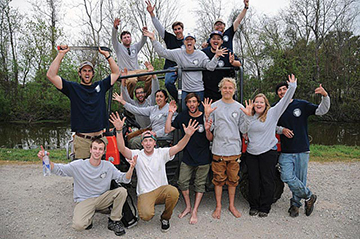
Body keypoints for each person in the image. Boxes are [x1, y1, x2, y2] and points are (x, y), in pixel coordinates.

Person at [109, 111, 199, 232]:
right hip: (145, 192)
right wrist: (119, 131)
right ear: (141, 143)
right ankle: (149, 206)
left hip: (161, 190)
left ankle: (165, 218)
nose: (148, 143)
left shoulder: (161, 153)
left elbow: (178, 147)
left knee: (173, 192)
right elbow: (122, 149)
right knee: (146, 216)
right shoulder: (137, 154)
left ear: (155, 142)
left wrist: (187, 135)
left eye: (150, 140)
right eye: (145, 141)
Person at [37, 140, 136, 236]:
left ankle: (114, 220)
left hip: (102, 199)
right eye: (95, 148)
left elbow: (125, 179)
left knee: (122, 191)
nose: (97, 151)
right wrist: (46, 160)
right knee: (78, 226)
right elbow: (59, 169)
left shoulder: (108, 166)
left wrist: (131, 168)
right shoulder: (78, 165)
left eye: (100, 149)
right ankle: (88, 217)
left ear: (104, 152)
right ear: (90, 150)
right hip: (85, 200)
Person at [46, 45, 120, 159]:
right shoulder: (72, 88)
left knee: (100, 174)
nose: (87, 73)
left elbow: (116, 73)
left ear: (93, 73)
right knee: (82, 174)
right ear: (79, 73)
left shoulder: (100, 86)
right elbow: (51, 75)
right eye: (84, 70)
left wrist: (107, 56)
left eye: (89, 71)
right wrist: (61, 54)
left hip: (100, 140)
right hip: (82, 141)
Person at [242, 74, 297, 218]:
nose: (258, 104)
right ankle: (254, 205)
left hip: (268, 152)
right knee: (253, 180)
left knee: (267, 180)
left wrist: (292, 87)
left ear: (266, 104)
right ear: (253, 104)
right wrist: (247, 117)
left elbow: (285, 101)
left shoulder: (272, 114)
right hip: (252, 153)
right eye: (256, 102)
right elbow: (243, 130)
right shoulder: (250, 116)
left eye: (261, 102)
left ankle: (265, 207)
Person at [275, 82, 330, 217]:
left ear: (289, 90)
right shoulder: (276, 108)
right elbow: (268, 125)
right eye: (279, 90)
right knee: (286, 176)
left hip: (302, 149)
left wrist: (325, 96)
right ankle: (310, 196)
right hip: (286, 150)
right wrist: (281, 130)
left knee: (300, 178)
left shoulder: (301, 105)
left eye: (284, 89)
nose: (282, 92)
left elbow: (321, 111)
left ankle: (295, 204)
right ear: (277, 94)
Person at [203, 77, 251, 219]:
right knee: (218, 180)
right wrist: (207, 115)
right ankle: (218, 206)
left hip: (234, 151)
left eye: (230, 88)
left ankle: (231, 205)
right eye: (225, 87)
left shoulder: (239, 107)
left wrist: (248, 116)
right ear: (221, 89)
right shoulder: (214, 107)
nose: (227, 90)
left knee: (233, 180)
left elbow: (243, 129)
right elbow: (209, 129)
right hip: (218, 150)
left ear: (234, 90)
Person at [143, 29, 227, 110]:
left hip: (198, 90)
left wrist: (216, 56)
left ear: (194, 42)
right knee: (183, 112)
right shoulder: (179, 53)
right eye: (187, 40)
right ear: (184, 42)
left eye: (191, 39)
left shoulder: (201, 54)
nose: (189, 41)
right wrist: (153, 39)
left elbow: (210, 67)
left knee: (200, 113)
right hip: (185, 90)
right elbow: (162, 52)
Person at [165, 93, 213, 224]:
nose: (192, 104)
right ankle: (188, 206)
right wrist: (170, 113)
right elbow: (168, 129)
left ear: (198, 103)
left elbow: (210, 139)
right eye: (189, 102)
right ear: (186, 104)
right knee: (182, 182)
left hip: (203, 157)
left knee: (199, 184)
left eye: (194, 102)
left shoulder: (205, 116)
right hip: (187, 156)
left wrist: (208, 130)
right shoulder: (183, 116)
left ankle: (195, 210)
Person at [146, 0, 184, 101]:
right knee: (167, 82)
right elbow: (159, 27)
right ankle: (178, 100)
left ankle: (187, 101)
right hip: (171, 67)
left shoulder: (188, 41)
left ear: (182, 29)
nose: (177, 31)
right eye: (175, 29)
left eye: (179, 29)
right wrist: (152, 14)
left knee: (188, 84)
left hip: (184, 67)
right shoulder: (170, 38)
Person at [112, 18, 152, 98]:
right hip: (127, 72)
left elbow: (142, 42)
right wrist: (115, 28)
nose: (127, 39)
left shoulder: (135, 47)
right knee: (132, 81)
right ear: (122, 40)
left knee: (151, 75)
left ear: (131, 38)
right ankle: (129, 100)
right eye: (125, 38)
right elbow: (113, 38)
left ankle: (145, 96)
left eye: (128, 37)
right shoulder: (118, 47)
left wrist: (144, 33)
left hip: (137, 71)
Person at [202, 31, 241, 101]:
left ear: (222, 41)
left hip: (224, 91)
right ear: (210, 41)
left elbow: (239, 63)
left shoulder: (227, 51)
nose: (216, 41)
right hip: (208, 91)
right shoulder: (204, 52)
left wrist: (233, 62)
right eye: (213, 38)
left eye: (218, 39)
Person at [120, 62, 160, 129]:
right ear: (135, 95)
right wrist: (123, 81)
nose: (140, 95)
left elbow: (155, 89)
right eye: (138, 93)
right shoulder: (134, 104)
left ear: (145, 94)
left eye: (141, 92)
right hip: (141, 130)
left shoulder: (150, 101)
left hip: (153, 128)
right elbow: (126, 96)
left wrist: (153, 74)